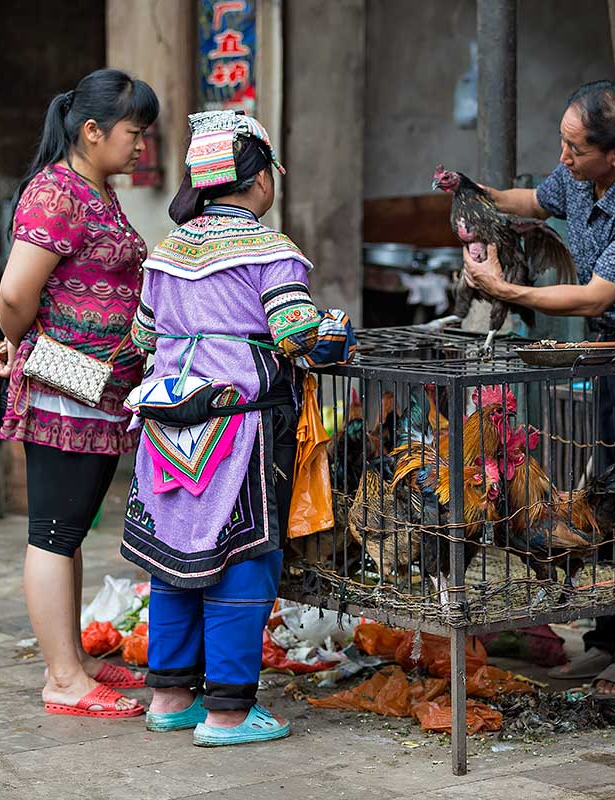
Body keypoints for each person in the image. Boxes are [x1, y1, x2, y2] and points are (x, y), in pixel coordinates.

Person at [124, 110, 355, 746]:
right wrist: (334, 333)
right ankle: (227, 713)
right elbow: (296, 336)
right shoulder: (271, 251)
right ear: (257, 181)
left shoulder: (167, 251)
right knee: (242, 560)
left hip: (168, 422)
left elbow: (144, 335)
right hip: (242, 428)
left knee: (172, 557)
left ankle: (170, 697)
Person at [460, 80, 615, 699]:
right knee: (607, 495)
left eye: (574, 148)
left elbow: (593, 297)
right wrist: (476, 196)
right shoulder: (581, 176)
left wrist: (505, 291)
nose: (562, 157)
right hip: (611, 354)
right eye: (561, 142)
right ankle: (610, 638)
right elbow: (532, 200)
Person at [0, 69, 158, 718]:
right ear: (91, 132)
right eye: (133, 132)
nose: (141, 144)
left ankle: (76, 661)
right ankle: (62, 677)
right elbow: (15, 293)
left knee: (71, 531)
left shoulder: (95, 189)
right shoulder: (56, 194)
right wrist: (16, 340)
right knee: (52, 531)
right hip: (66, 384)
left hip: (98, 389)